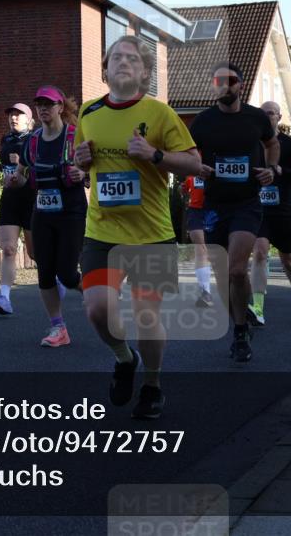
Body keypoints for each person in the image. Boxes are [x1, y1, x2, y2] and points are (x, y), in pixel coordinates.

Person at [73, 35, 199, 419]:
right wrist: (81, 162)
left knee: (147, 317)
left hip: (152, 235)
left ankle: (152, 385)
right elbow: (83, 170)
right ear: (106, 70)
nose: (124, 63)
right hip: (102, 231)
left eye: (132, 59)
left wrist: (155, 155)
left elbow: (194, 164)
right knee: (97, 309)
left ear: (144, 73)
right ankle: (124, 358)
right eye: (117, 58)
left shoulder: (161, 114)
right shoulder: (89, 113)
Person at [190, 63, 279, 362]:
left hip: (246, 204)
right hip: (215, 205)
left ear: (241, 85)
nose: (224, 86)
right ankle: (240, 323)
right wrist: (195, 165)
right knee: (223, 275)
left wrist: (270, 169)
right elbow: (189, 152)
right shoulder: (203, 122)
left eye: (230, 81)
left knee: (237, 269)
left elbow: (272, 143)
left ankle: (239, 333)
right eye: (219, 81)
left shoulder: (255, 118)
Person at [8, 86, 86, 347]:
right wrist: (15, 179)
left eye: (48, 104)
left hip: (71, 211)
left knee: (67, 274)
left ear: (60, 108)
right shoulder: (32, 141)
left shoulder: (75, 137)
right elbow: (21, 174)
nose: (43, 109)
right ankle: (58, 328)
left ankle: (95, 293)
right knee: (44, 270)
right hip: (42, 211)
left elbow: (93, 170)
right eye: (39, 104)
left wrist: (82, 175)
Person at [248, 102, 291, 325]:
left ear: (279, 117)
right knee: (259, 252)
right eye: (263, 114)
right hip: (259, 208)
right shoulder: (252, 143)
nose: (267, 118)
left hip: (283, 209)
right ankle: (257, 306)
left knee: (288, 260)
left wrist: (282, 171)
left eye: (271, 114)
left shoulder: (289, 144)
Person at [0, 103, 36, 315]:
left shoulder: (35, 140)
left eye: (19, 115)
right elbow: (5, 165)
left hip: (31, 199)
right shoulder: (6, 139)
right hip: (10, 198)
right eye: (11, 115)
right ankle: (4, 298)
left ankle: (58, 280)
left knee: (35, 253)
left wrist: (25, 166)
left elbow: (43, 168)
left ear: (29, 120)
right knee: (8, 249)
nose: (13, 118)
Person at [181, 174, 214, 307]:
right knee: (200, 248)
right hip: (195, 211)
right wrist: (182, 189)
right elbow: (185, 189)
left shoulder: (216, 159)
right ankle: (206, 292)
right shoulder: (191, 168)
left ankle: (234, 287)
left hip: (214, 209)